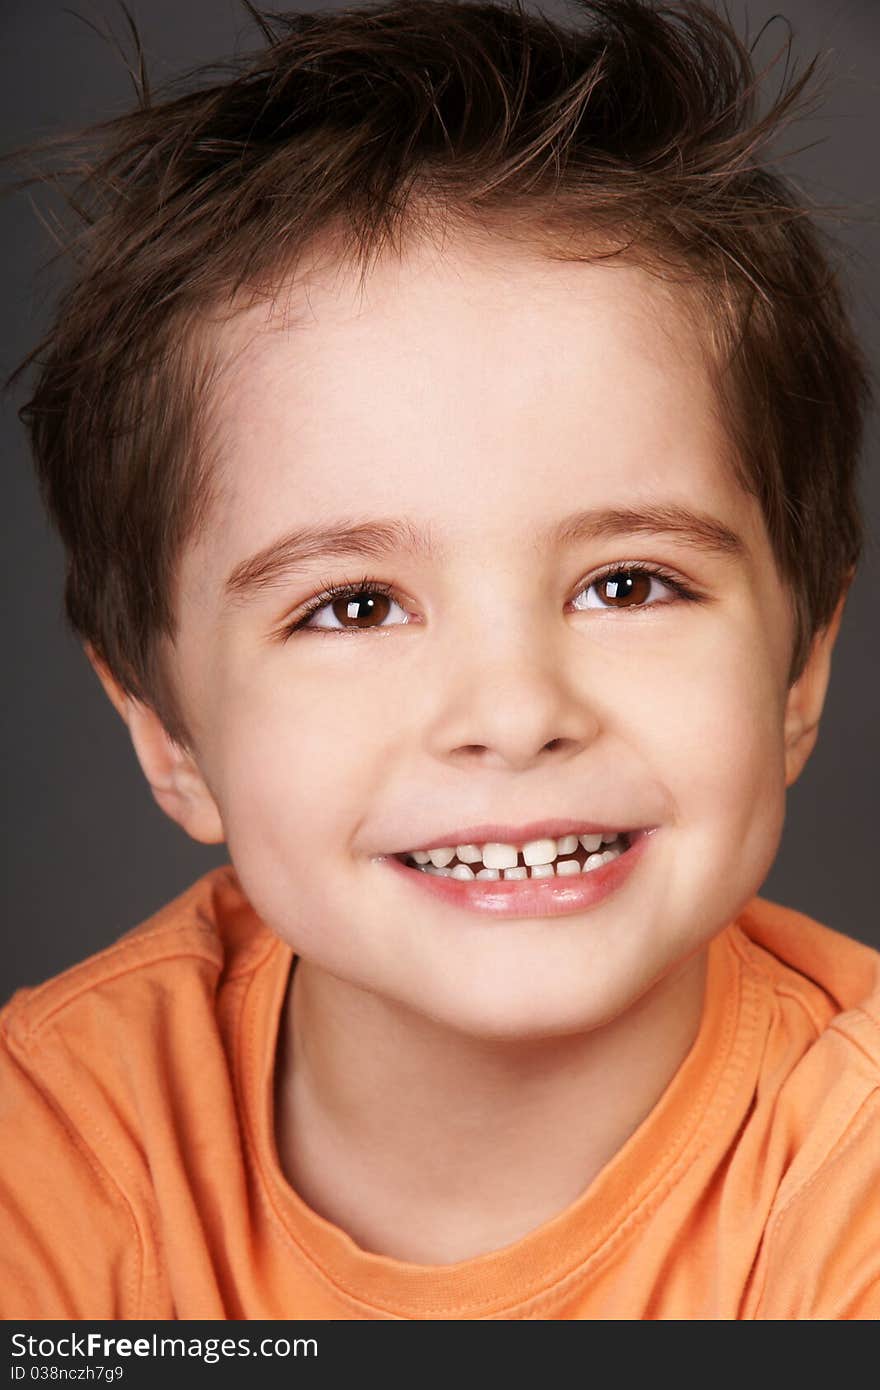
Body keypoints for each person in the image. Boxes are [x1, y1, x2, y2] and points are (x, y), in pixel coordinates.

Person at [1, 0, 877, 1320]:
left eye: (627, 582)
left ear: (802, 669)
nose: (514, 713)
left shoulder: (847, 1163)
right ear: (168, 736)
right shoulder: (54, 1146)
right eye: (352, 606)